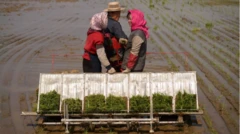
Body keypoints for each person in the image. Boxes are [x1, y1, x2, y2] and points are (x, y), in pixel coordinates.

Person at [103, 1, 128, 72]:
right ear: (113, 13)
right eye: (118, 13)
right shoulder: (115, 24)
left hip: (107, 52)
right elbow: (122, 37)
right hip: (116, 53)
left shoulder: (104, 22)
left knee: (110, 69)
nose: (119, 15)